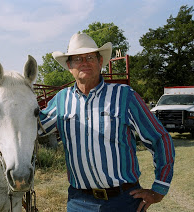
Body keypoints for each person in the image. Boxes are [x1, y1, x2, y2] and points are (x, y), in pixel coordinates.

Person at [38, 33, 175, 212]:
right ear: (69, 66)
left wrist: (159, 189)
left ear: (100, 61)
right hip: (79, 203)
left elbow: (160, 139)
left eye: (90, 57)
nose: (84, 62)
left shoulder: (124, 96)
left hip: (123, 201)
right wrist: (0, 97)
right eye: (78, 59)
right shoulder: (61, 100)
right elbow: (36, 128)